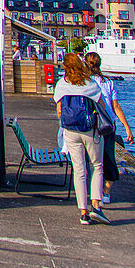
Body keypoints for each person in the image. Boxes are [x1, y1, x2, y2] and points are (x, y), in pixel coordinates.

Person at [54, 53, 111, 225]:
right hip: (90, 131)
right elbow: (102, 106)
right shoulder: (90, 84)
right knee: (96, 166)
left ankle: (83, 212)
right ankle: (96, 205)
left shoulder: (62, 84)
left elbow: (58, 110)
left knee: (79, 170)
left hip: (71, 131)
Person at [84, 52, 135, 204]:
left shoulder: (84, 82)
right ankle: (106, 191)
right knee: (108, 158)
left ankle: (93, 192)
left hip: (91, 124)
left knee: (92, 159)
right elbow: (116, 106)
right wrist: (127, 127)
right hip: (108, 124)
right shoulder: (108, 82)